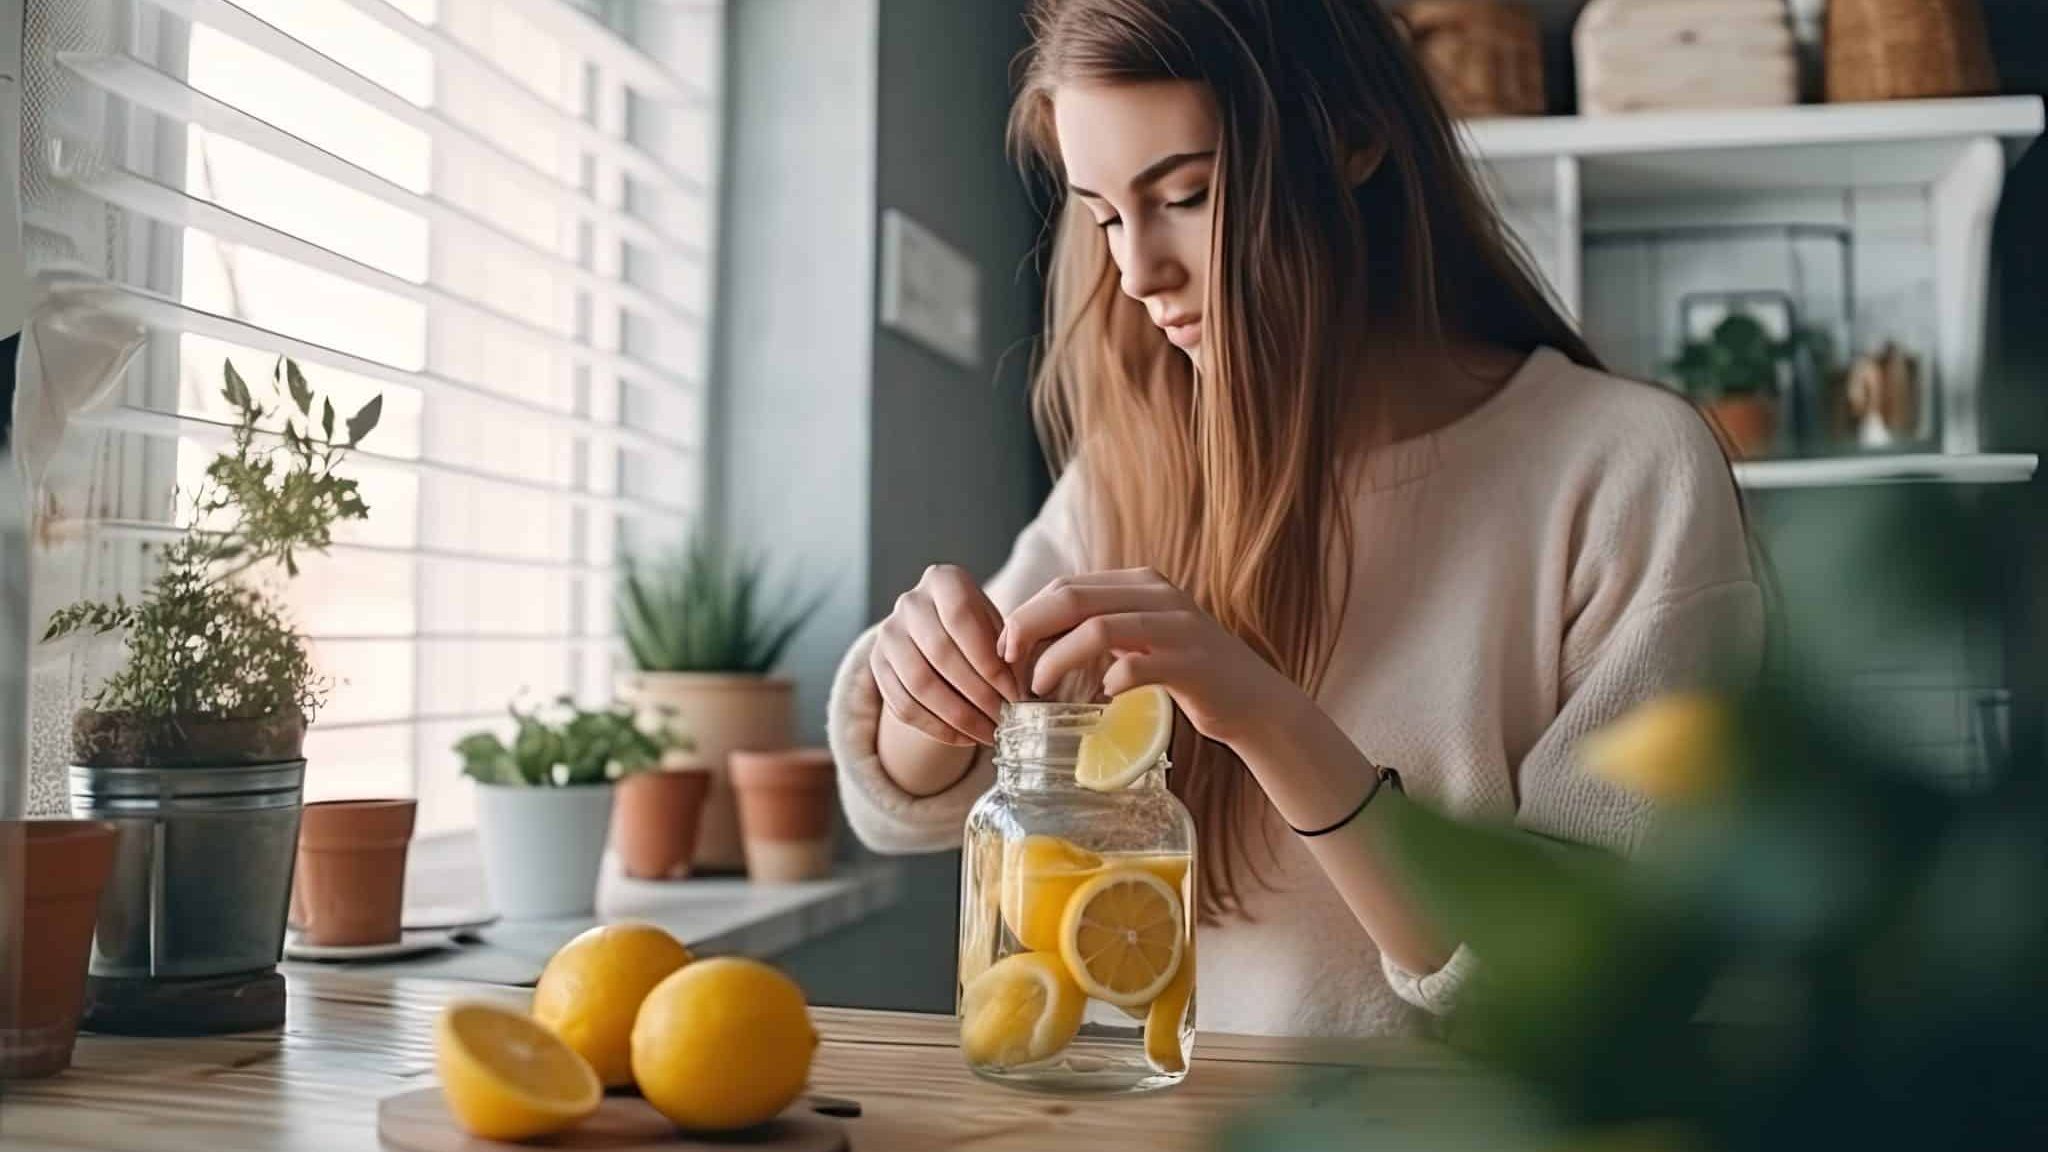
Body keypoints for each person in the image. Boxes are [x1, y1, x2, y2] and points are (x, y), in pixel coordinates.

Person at [826, 0, 1764, 1038]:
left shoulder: (1624, 469)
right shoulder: (1136, 464)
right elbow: (912, 800)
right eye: (1100, 215)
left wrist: (1271, 723)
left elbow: (1590, 982)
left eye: (1185, 194)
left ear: (1355, 137)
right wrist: (921, 690)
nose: (1137, 272)